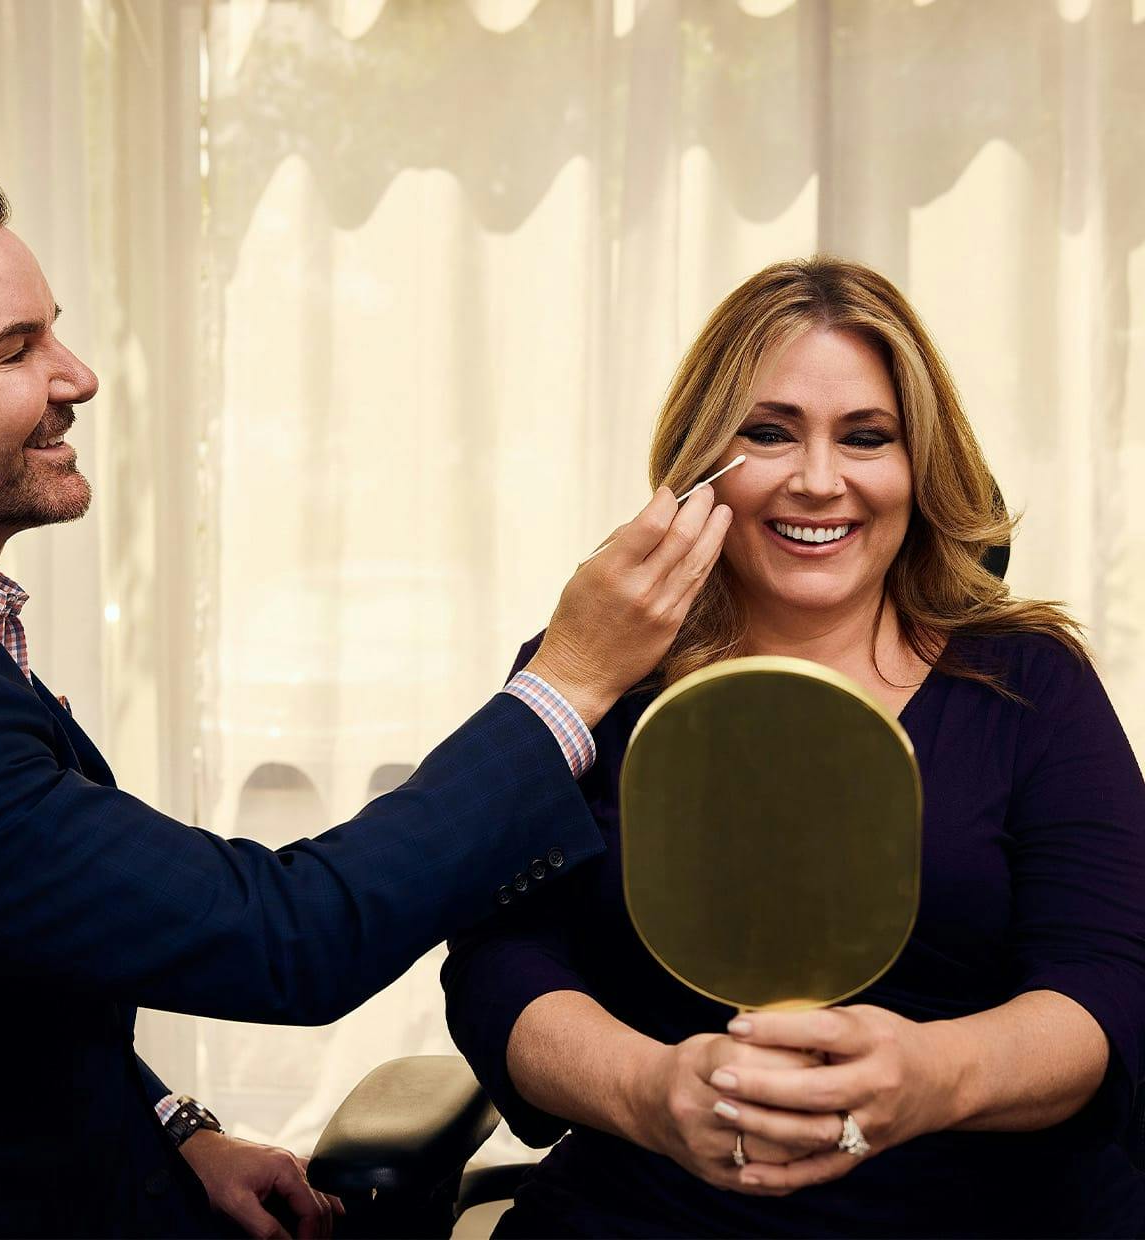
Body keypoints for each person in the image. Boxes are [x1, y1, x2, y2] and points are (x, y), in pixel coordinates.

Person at [0, 159, 734, 1238]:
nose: (79, 375)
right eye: (16, 351)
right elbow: (288, 935)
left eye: (54, 329)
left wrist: (175, 1123)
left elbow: (2, 952)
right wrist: (569, 680)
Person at [443, 256, 1145, 1237]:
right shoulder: (595, 672)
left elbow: (1107, 983)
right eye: (769, 432)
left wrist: (938, 1076)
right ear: (703, 458)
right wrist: (654, 1089)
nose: (819, 480)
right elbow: (498, 961)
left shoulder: (1030, 683)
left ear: (920, 464)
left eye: (867, 437)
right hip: (648, 1208)